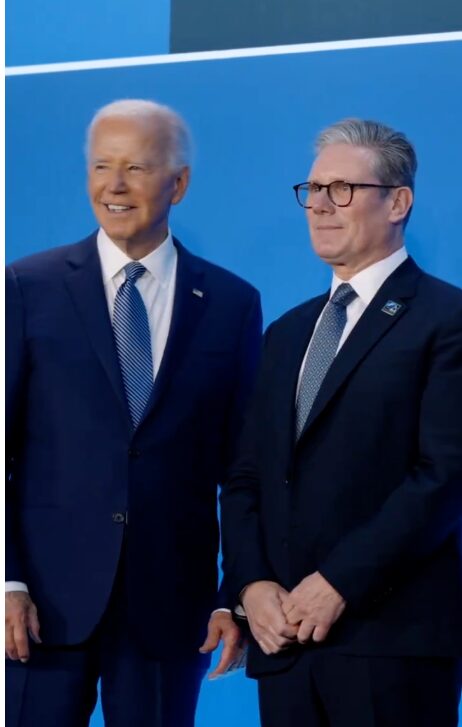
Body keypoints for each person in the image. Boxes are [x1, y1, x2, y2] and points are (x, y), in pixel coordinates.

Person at [5, 98, 262, 727]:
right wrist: (8, 580)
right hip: (40, 609)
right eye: (101, 166)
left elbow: (244, 467)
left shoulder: (231, 303)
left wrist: (234, 593)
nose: (114, 186)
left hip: (170, 608)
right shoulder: (26, 287)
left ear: (179, 183)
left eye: (136, 168)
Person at [221, 118, 462, 727]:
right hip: (284, 646)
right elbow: (247, 476)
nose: (320, 205)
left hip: (389, 645)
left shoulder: (446, 319)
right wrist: (250, 587)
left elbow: (444, 476)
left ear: (398, 203)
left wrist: (338, 582)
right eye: (313, 189)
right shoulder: (286, 333)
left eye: (343, 189)